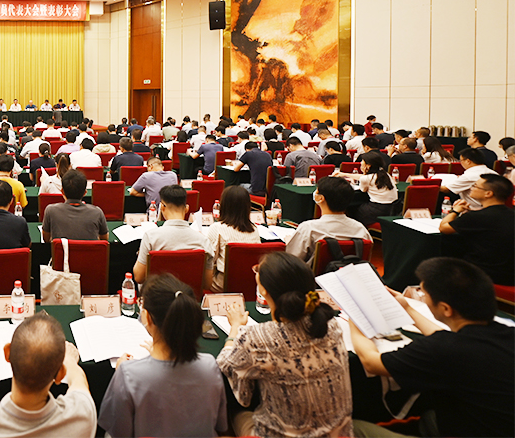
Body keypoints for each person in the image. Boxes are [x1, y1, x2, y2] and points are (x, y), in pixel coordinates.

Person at [350, 257, 514, 438]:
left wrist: (355, 317)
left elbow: (371, 362)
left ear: (446, 309)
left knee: (354, 428)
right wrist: (407, 308)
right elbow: (445, 339)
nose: (422, 297)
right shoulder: (506, 332)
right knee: (429, 415)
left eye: (423, 293)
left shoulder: (441, 350)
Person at [217, 251, 350, 437]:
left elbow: (226, 367)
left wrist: (235, 328)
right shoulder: (331, 325)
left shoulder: (256, 337)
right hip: (339, 433)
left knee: (232, 408)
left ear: (263, 290)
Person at [99, 275, 227, 437]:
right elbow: (220, 425)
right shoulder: (210, 366)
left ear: (147, 317)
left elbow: (119, 431)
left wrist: (120, 372)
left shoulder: (128, 374)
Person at [0, 313, 96, 438]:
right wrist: (70, 360)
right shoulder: (83, 416)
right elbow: (79, 382)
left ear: (7, 353)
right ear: (60, 374)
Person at [438, 173, 514, 285]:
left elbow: (444, 228)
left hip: (483, 272)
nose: (471, 188)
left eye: (475, 186)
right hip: (509, 273)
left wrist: (455, 211)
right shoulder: (511, 214)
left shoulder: (478, 216)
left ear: (488, 193)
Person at [133, 185, 211, 286]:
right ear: (187, 208)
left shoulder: (151, 237)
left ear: (162, 207)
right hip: (190, 294)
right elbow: (207, 283)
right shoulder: (204, 241)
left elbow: (139, 277)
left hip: (158, 293)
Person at [285, 176, 372, 265]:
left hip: (314, 274)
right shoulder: (361, 229)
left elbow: (291, 261)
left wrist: (290, 243)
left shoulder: (308, 228)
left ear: (320, 198)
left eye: (317, 191)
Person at [205, 186, 261, 292]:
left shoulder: (217, 228)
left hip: (223, 284)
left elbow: (209, 260)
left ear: (224, 206)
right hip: (250, 283)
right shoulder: (254, 229)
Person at [41, 169, 107, 242]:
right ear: (85, 192)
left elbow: (46, 239)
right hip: (89, 250)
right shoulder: (97, 212)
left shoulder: (50, 211)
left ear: (62, 191)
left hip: (63, 250)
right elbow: (104, 240)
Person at [336, 150, 399, 225]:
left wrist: (362, 173)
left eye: (362, 163)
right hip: (392, 208)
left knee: (351, 208)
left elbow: (363, 189)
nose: (361, 165)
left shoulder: (367, 178)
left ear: (368, 165)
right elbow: (363, 177)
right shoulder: (385, 174)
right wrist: (343, 174)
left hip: (376, 209)